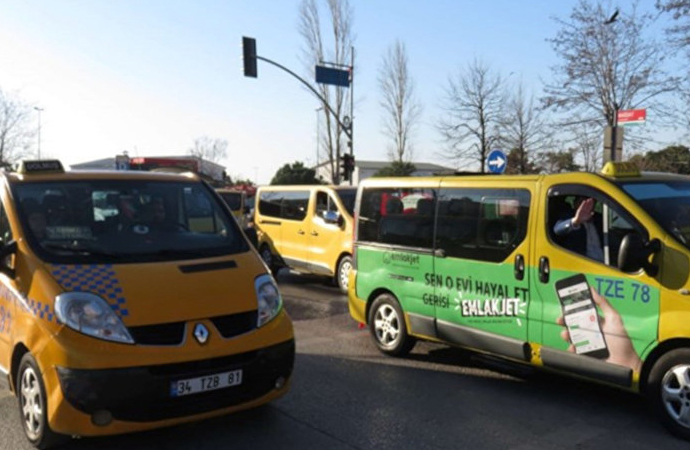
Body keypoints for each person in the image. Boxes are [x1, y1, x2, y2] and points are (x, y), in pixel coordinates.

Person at [553, 197, 604, 262]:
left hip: (607, 263)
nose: (585, 206)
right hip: (585, 264)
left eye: (589, 203)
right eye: (581, 202)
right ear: (575, 203)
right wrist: (576, 221)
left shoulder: (598, 218)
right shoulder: (568, 216)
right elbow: (557, 229)